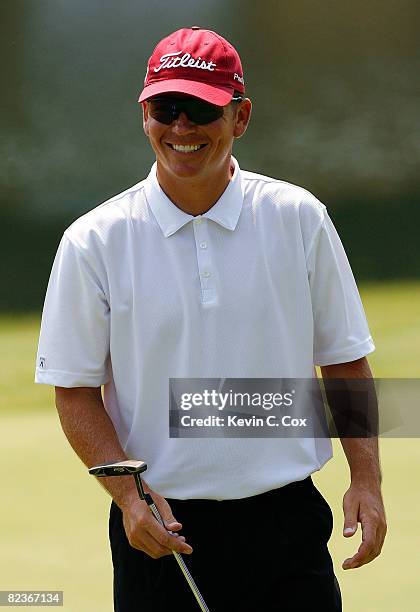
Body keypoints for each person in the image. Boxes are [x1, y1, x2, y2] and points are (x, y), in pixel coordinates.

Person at [35, 26, 387, 612]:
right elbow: (73, 390)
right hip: (166, 532)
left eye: (200, 108)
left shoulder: (298, 217)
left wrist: (367, 481)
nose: (181, 127)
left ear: (240, 116)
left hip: (288, 520)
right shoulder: (93, 241)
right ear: (144, 114)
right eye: (165, 108)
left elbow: (344, 358)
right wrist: (128, 497)